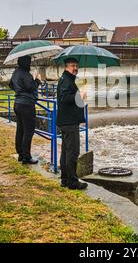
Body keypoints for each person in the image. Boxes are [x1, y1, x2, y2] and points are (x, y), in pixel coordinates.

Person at [57, 58, 88, 190]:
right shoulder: (66, 80)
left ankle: (65, 179)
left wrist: (80, 96)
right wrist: (79, 95)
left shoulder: (67, 79)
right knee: (73, 152)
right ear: (67, 67)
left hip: (67, 121)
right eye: (73, 66)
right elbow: (64, 98)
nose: (76, 68)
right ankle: (73, 182)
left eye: (77, 66)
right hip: (69, 122)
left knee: (65, 152)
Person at [9, 56, 41, 165]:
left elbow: (10, 85)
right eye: (29, 62)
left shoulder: (16, 73)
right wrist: (37, 80)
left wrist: (19, 91)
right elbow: (30, 87)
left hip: (17, 103)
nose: (30, 64)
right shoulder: (25, 74)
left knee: (20, 130)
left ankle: (21, 154)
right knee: (28, 131)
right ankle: (27, 157)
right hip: (27, 105)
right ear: (26, 63)